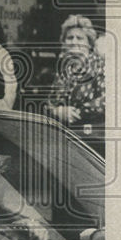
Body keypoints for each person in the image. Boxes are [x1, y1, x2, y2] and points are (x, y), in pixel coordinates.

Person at [44, 15, 105, 152]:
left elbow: (106, 101)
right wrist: (57, 111)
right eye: (70, 38)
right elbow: (50, 102)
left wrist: (76, 112)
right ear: (64, 42)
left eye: (80, 38)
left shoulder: (100, 66)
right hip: (65, 136)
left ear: (89, 43)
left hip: (93, 139)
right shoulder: (64, 69)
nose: (74, 42)